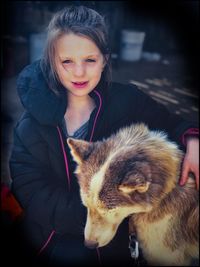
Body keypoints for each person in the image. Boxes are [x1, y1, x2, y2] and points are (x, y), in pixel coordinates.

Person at [9, 5, 199, 267]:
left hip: (117, 238)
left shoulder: (128, 100)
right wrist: (97, 210)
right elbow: (31, 191)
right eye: (67, 61)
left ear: (105, 59)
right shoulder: (29, 127)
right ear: (52, 62)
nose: (79, 72)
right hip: (56, 235)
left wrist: (193, 141)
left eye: (90, 60)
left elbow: (171, 123)